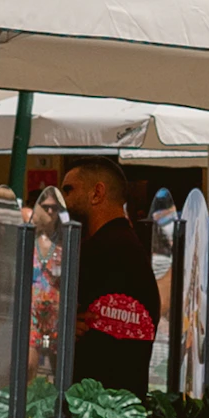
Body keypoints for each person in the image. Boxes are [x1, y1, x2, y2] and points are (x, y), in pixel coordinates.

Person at [60, 160, 161, 394]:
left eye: (69, 190)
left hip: (98, 407)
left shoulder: (106, 250)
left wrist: (62, 325)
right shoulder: (125, 244)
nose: (63, 201)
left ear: (97, 193)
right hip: (116, 404)